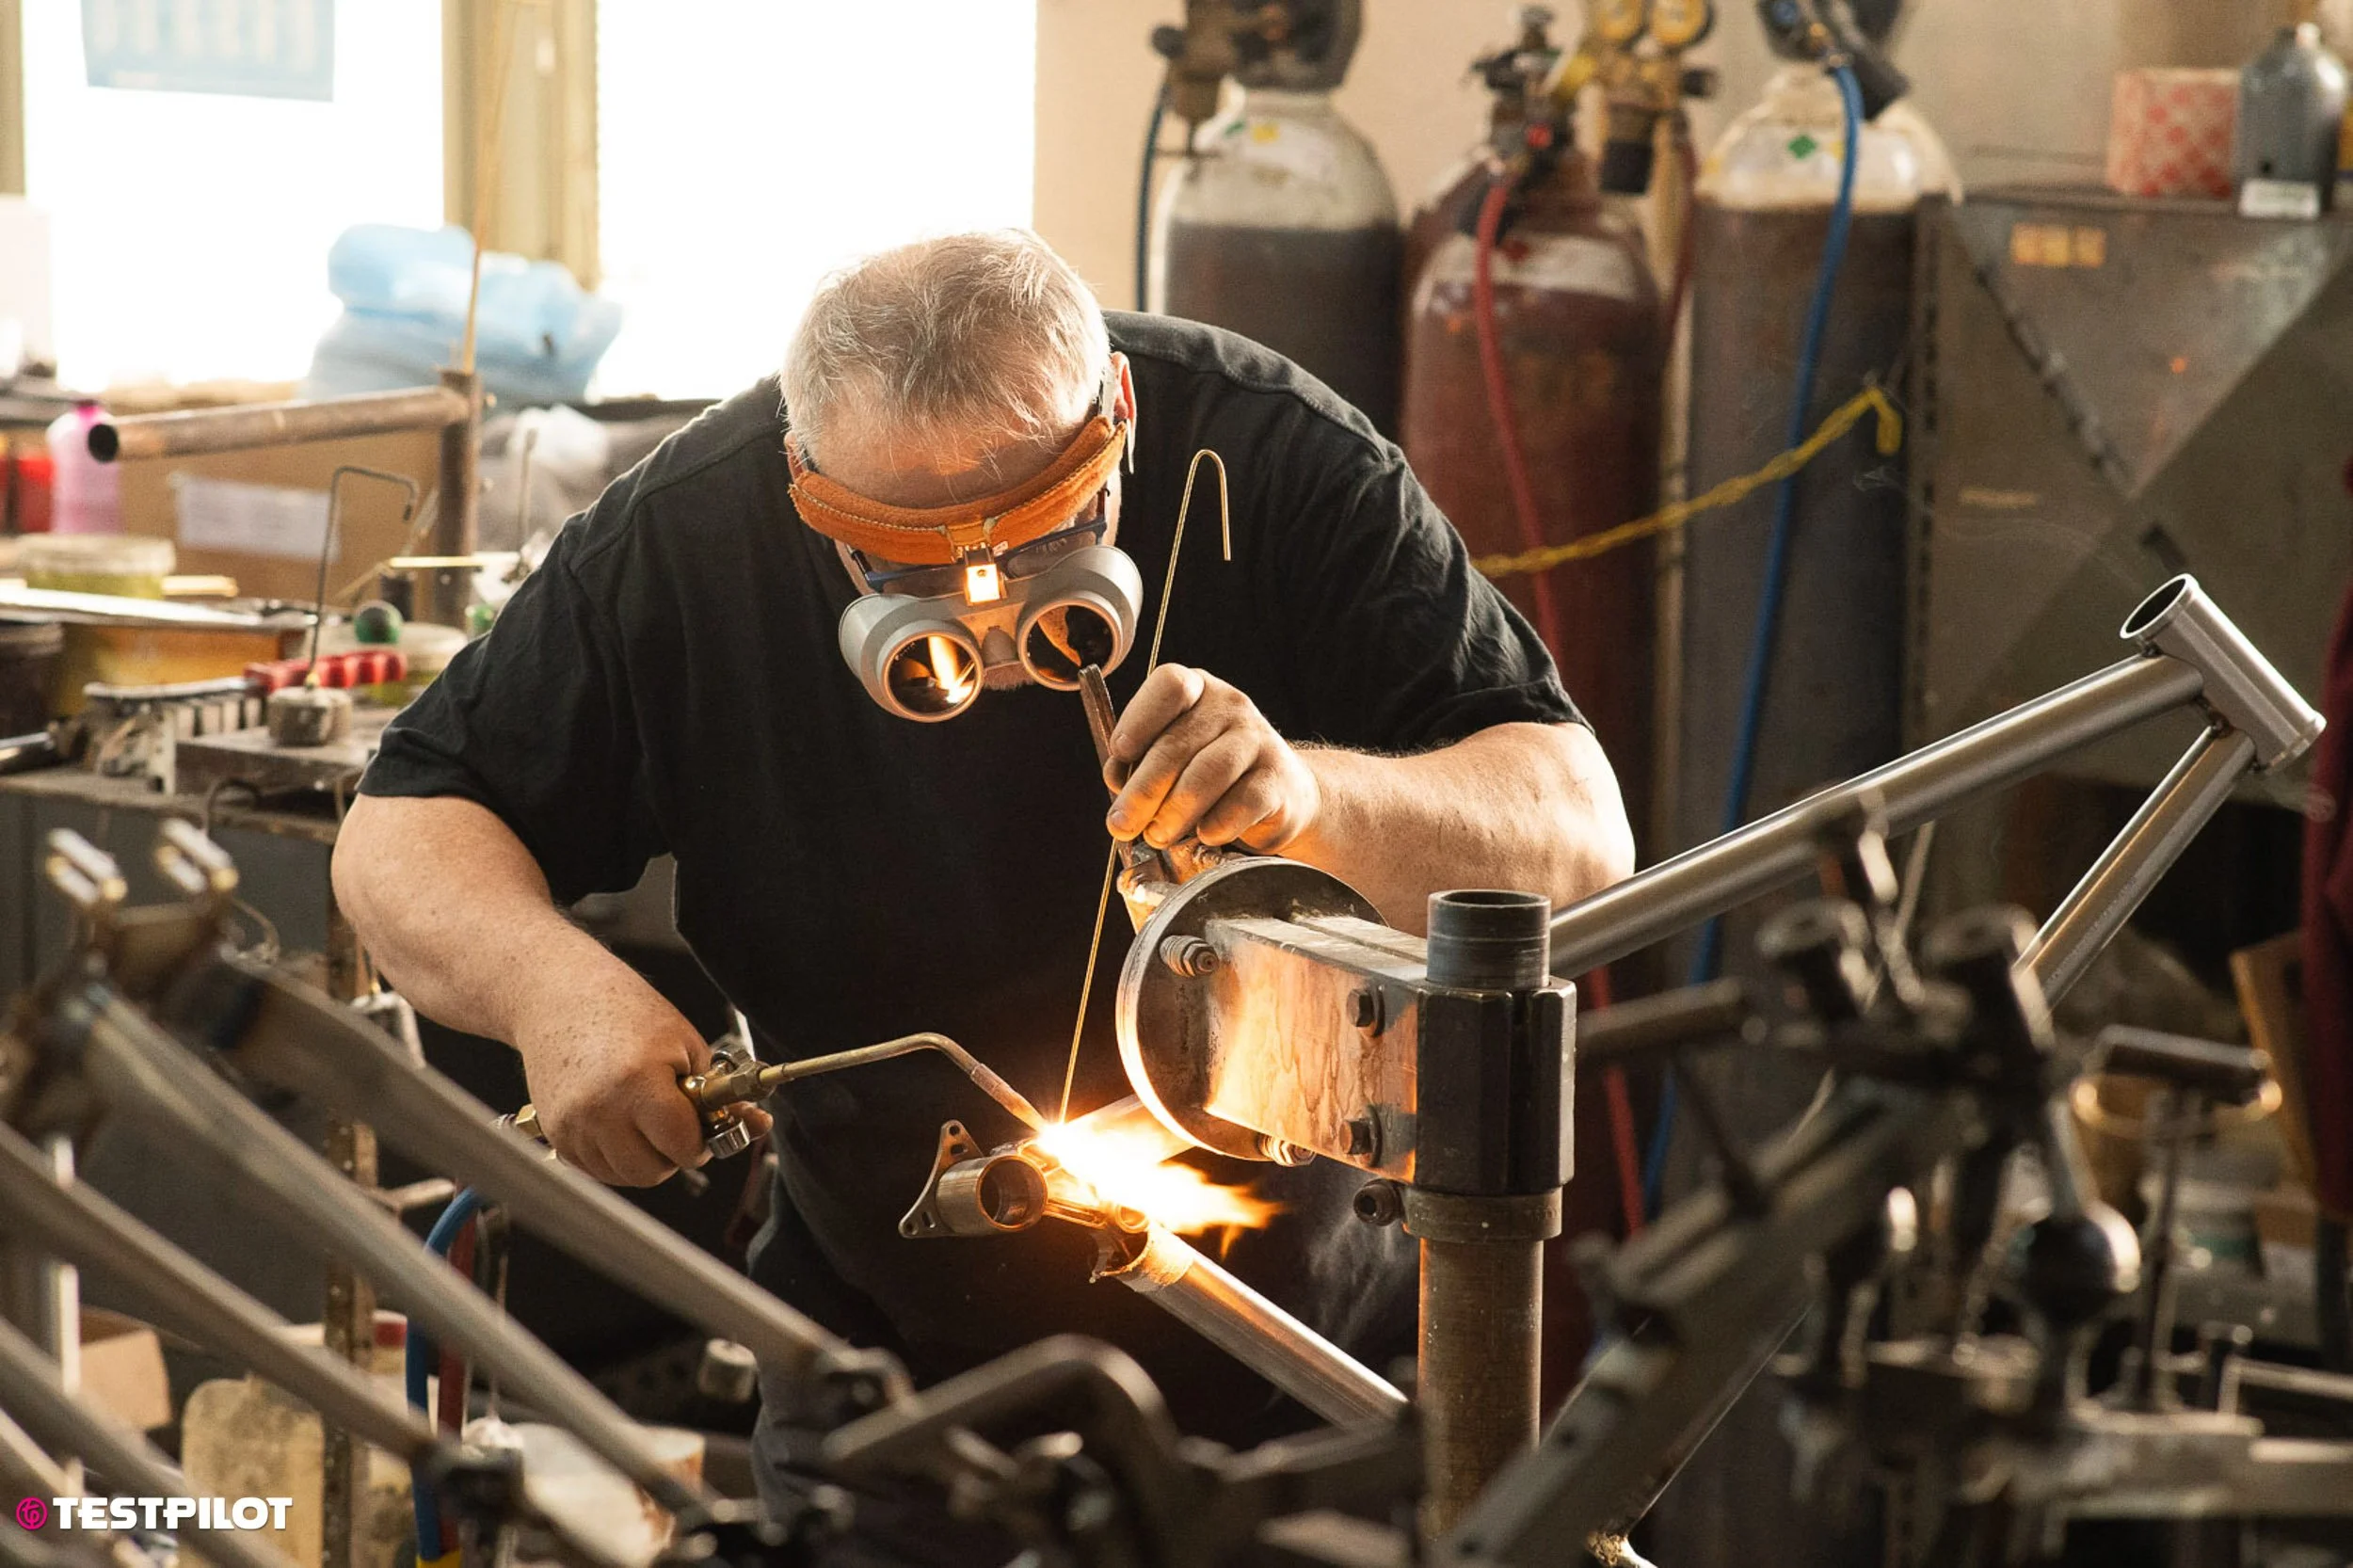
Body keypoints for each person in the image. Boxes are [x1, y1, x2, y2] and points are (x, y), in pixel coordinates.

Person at [332, 230, 1633, 1545]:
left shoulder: (1276, 458)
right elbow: (400, 829)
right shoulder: (686, 537)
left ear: (1117, 413)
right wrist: (555, 991)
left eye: (1048, 534)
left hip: (1309, 1382)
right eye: (905, 567)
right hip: (885, 1387)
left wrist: (1318, 798)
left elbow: (1581, 829)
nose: (991, 606)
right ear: (806, 485)